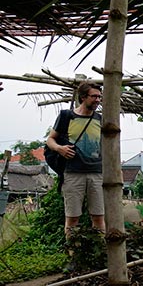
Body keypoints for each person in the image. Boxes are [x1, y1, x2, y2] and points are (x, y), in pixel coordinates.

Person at [46, 82, 105, 236]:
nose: (97, 100)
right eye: (94, 96)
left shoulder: (101, 119)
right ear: (83, 97)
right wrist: (60, 149)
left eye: (99, 96)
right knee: (72, 218)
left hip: (96, 173)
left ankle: (100, 251)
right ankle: (73, 254)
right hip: (72, 172)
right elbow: (50, 140)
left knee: (98, 217)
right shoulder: (67, 116)